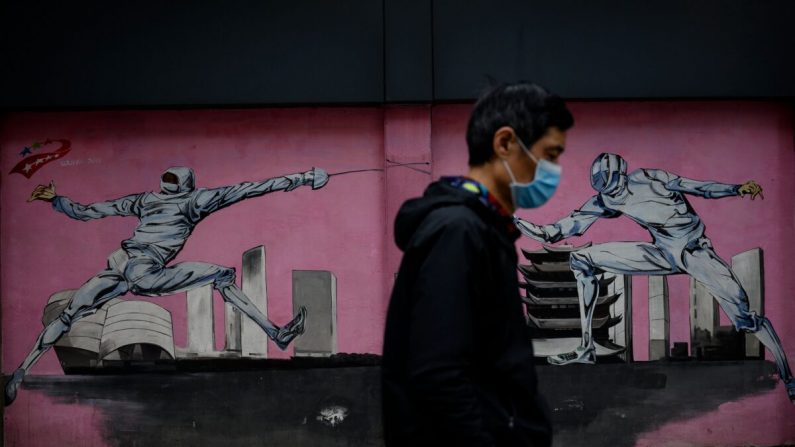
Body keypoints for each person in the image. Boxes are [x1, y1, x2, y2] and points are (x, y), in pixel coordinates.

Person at [4, 166, 329, 406]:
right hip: (144, 272)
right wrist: (303, 179)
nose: (166, 187)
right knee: (222, 275)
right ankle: (276, 334)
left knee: (67, 317)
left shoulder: (151, 200)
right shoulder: (193, 200)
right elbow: (250, 188)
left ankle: (19, 374)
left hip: (118, 265)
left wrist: (56, 200)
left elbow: (89, 212)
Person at [514, 153, 794, 403]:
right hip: (661, 252)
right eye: (608, 193)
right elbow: (553, 232)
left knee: (747, 320)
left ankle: (789, 377)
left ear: (622, 177)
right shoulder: (605, 200)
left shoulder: (651, 179)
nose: (615, 199)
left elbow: (698, 188)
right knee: (581, 258)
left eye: (616, 189)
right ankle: (586, 348)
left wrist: (736, 189)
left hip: (695, 252)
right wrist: (516, 221)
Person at [382, 82, 573, 446]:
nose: (554, 170)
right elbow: (439, 374)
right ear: (505, 144)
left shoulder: (481, 230)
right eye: (549, 154)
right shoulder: (459, 232)